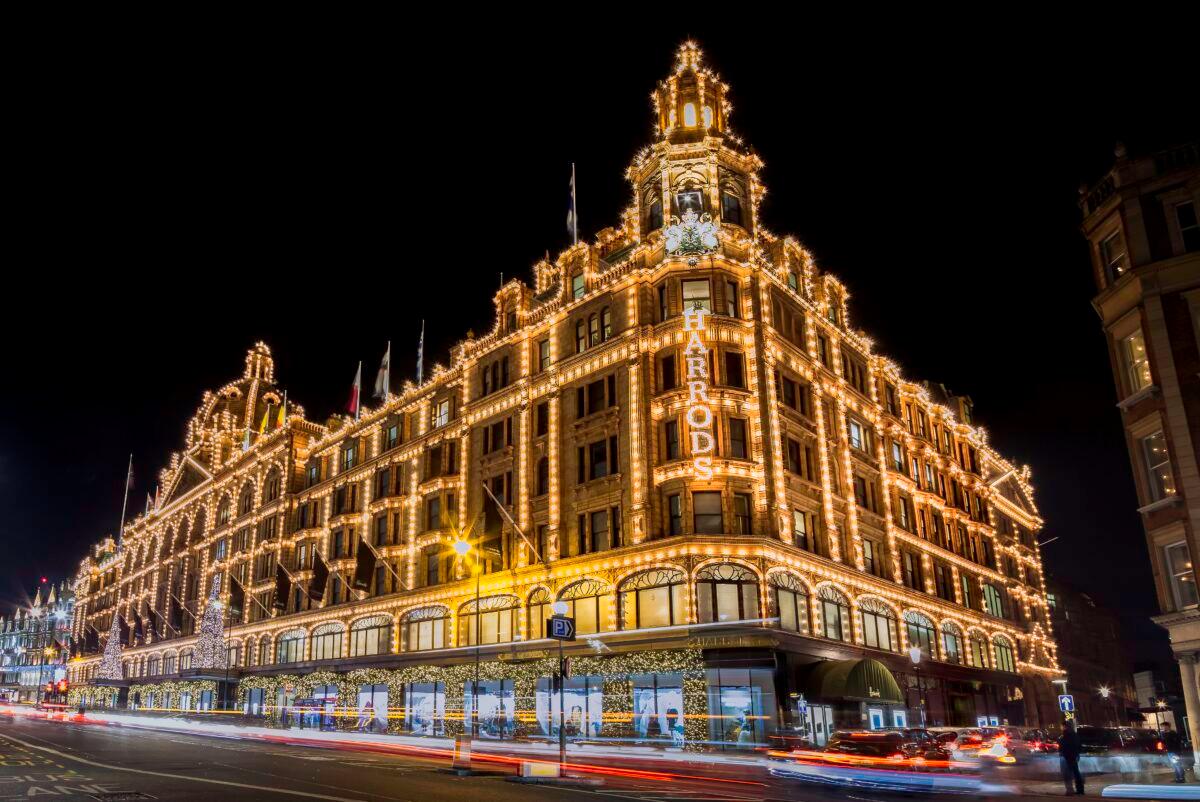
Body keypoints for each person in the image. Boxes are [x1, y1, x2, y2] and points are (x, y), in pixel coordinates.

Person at [1058, 721, 1084, 796]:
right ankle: (1080, 790)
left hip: (1067, 756)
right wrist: (1077, 754)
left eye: (1062, 726)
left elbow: (1064, 746)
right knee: (1076, 773)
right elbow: (1079, 745)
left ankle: (1070, 790)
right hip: (1073, 756)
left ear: (1065, 727)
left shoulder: (1066, 735)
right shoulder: (1074, 734)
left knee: (1067, 774)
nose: (1061, 728)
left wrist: (1062, 752)